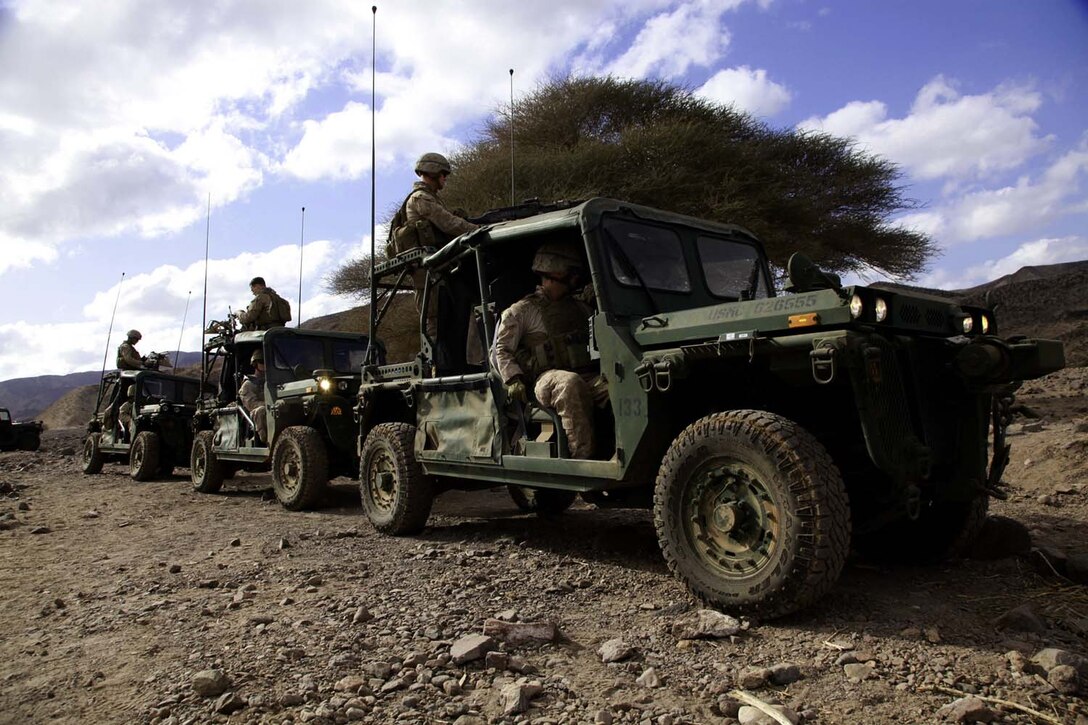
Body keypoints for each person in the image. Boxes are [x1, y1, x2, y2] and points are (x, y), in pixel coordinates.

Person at [493, 242, 607, 459]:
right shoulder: (522, 311)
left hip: (587, 375)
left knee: (618, 388)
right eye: (570, 273)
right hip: (544, 380)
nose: (575, 279)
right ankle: (582, 460)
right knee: (569, 384)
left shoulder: (580, 306)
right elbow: (502, 350)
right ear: (553, 272)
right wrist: (512, 378)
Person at [388, 153, 479, 338]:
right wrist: (478, 230)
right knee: (435, 324)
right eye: (443, 174)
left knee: (448, 321)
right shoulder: (421, 198)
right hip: (427, 272)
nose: (445, 178)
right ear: (433, 172)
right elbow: (449, 223)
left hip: (436, 268)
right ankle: (438, 366)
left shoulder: (430, 197)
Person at [238, 350, 268, 444]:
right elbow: (252, 404)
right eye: (262, 362)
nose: (265, 365)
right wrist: (271, 405)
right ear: (255, 364)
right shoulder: (248, 384)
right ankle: (267, 441)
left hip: (272, 410)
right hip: (255, 417)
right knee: (261, 411)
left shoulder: (271, 382)